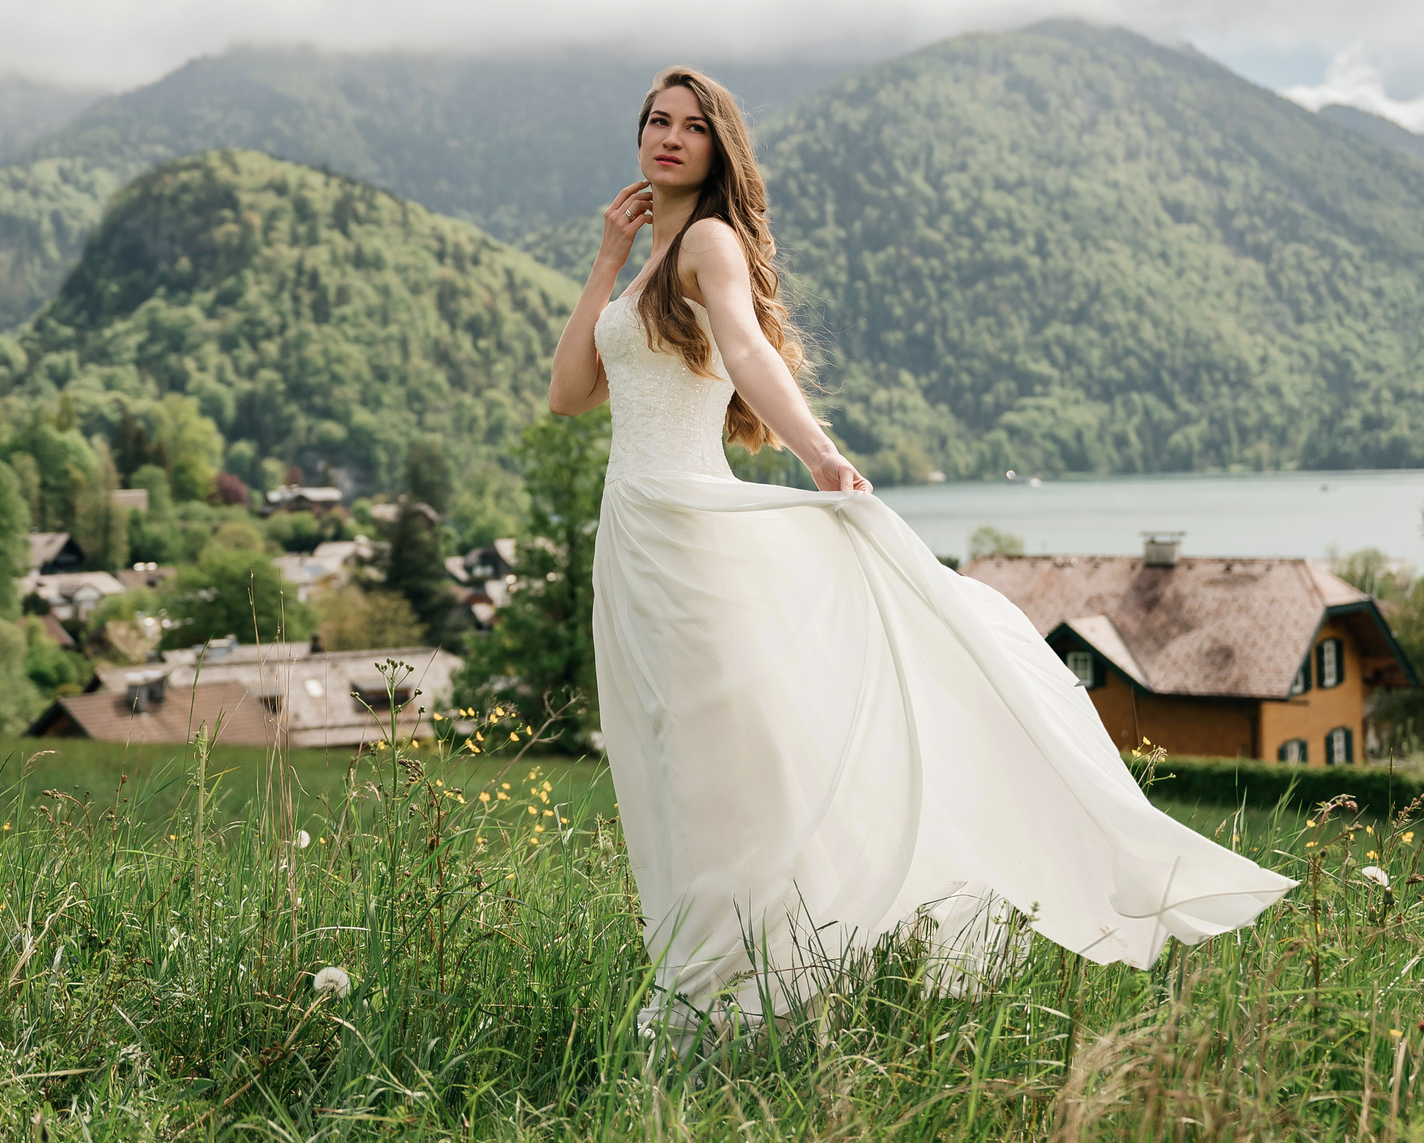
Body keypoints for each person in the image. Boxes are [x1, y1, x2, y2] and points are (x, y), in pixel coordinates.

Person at [549, 64, 1293, 1033]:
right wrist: (606, 258)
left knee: (718, 761)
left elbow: (746, 348)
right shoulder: (647, 261)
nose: (670, 136)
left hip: (692, 532)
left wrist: (820, 454)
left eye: (693, 125)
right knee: (671, 757)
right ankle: (730, 971)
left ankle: (732, 991)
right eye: (657, 119)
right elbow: (569, 394)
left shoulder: (709, 241)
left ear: (719, 147)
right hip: (635, 538)